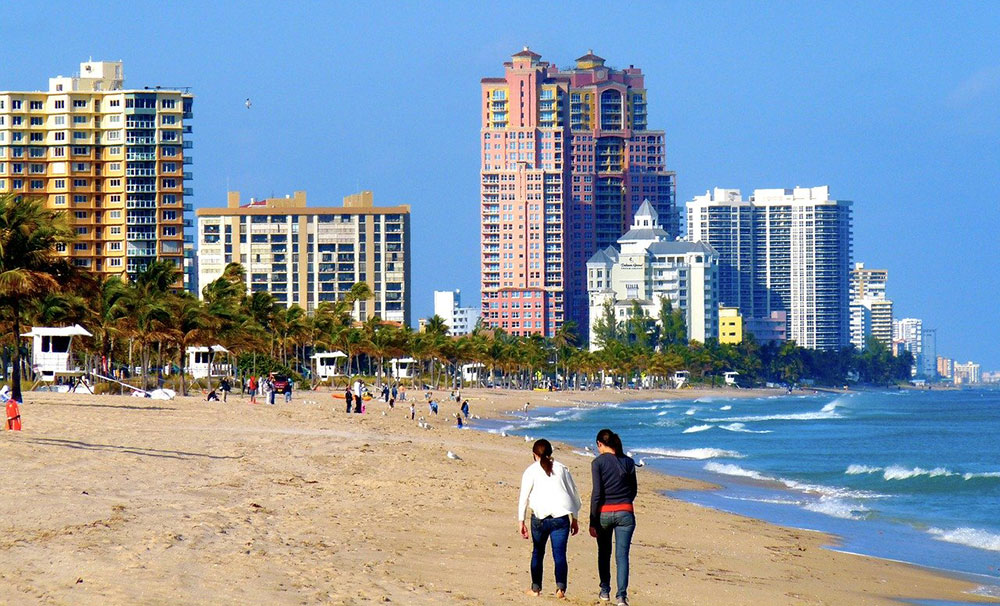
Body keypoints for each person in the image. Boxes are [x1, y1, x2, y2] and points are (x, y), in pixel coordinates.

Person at [518, 438, 581, 599]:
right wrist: (574, 517)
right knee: (559, 554)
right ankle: (560, 589)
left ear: (534, 455)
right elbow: (573, 494)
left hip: (539, 517)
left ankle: (536, 588)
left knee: (538, 552)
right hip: (560, 517)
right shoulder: (561, 469)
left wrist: (521, 521)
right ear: (550, 453)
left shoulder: (530, 471)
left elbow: (523, 497)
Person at [589, 429, 638, 606]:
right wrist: (624, 503)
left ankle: (604, 591)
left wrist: (592, 519)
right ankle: (621, 597)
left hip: (604, 513)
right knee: (622, 556)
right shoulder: (629, 462)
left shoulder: (597, 463)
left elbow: (597, 493)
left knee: (604, 552)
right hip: (626, 512)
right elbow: (633, 490)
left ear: (599, 444)